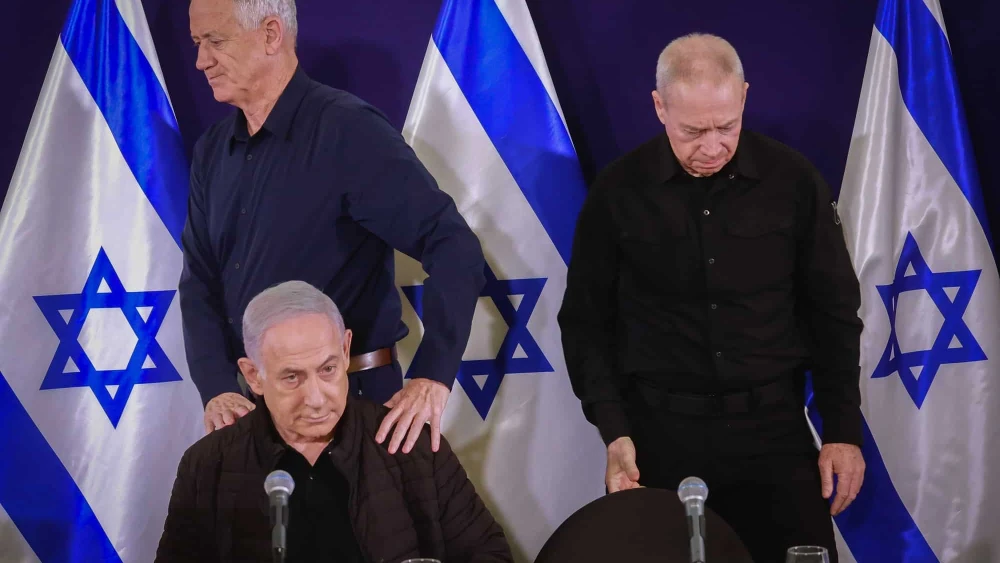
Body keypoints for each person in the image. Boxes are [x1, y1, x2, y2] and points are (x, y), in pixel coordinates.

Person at [557, 33, 865, 562]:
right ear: (659, 107)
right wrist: (614, 432)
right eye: (693, 131)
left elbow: (833, 311)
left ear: (744, 96)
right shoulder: (617, 194)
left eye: (726, 126)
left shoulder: (793, 182)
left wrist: (842, 430)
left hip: (775, 433)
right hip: (661, 438)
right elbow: (585, 323)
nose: (713, 146)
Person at [182, 0, 486, 455]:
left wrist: (432, 373)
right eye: (197, 43)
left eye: (215, 42)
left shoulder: (349, 132)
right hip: (255, 422)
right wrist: (215, 387)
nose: (201, 60)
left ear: (270, 35)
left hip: (353, 415)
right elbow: (199, 282)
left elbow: (452, 244)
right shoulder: (212, 151)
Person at [155, 281, 513, 563]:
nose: (316, 398)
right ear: (254, 377)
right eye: (292, 377)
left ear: (345, 352)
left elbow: (489, 554)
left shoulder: (411, 446)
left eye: (327, 369)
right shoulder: (208, 465)